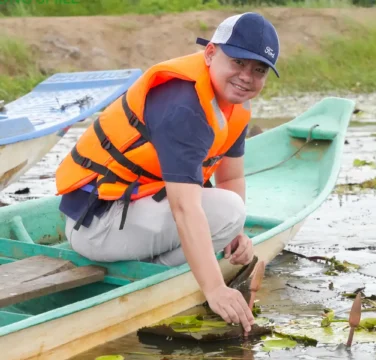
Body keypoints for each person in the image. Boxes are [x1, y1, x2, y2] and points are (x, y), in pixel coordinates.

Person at [54, 12, 280, 334]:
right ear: (211, 53)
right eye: (238, 63)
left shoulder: (234, 105)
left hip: (128, 210)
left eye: (259, 70)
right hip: (98, 227)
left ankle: (162, 264)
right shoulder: (184, 107)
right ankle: (153, 273)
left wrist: (237, 234)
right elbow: (185, 209)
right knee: (229, 210)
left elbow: (230, 178)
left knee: (232, 213)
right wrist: (215, 289)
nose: (247, 76)